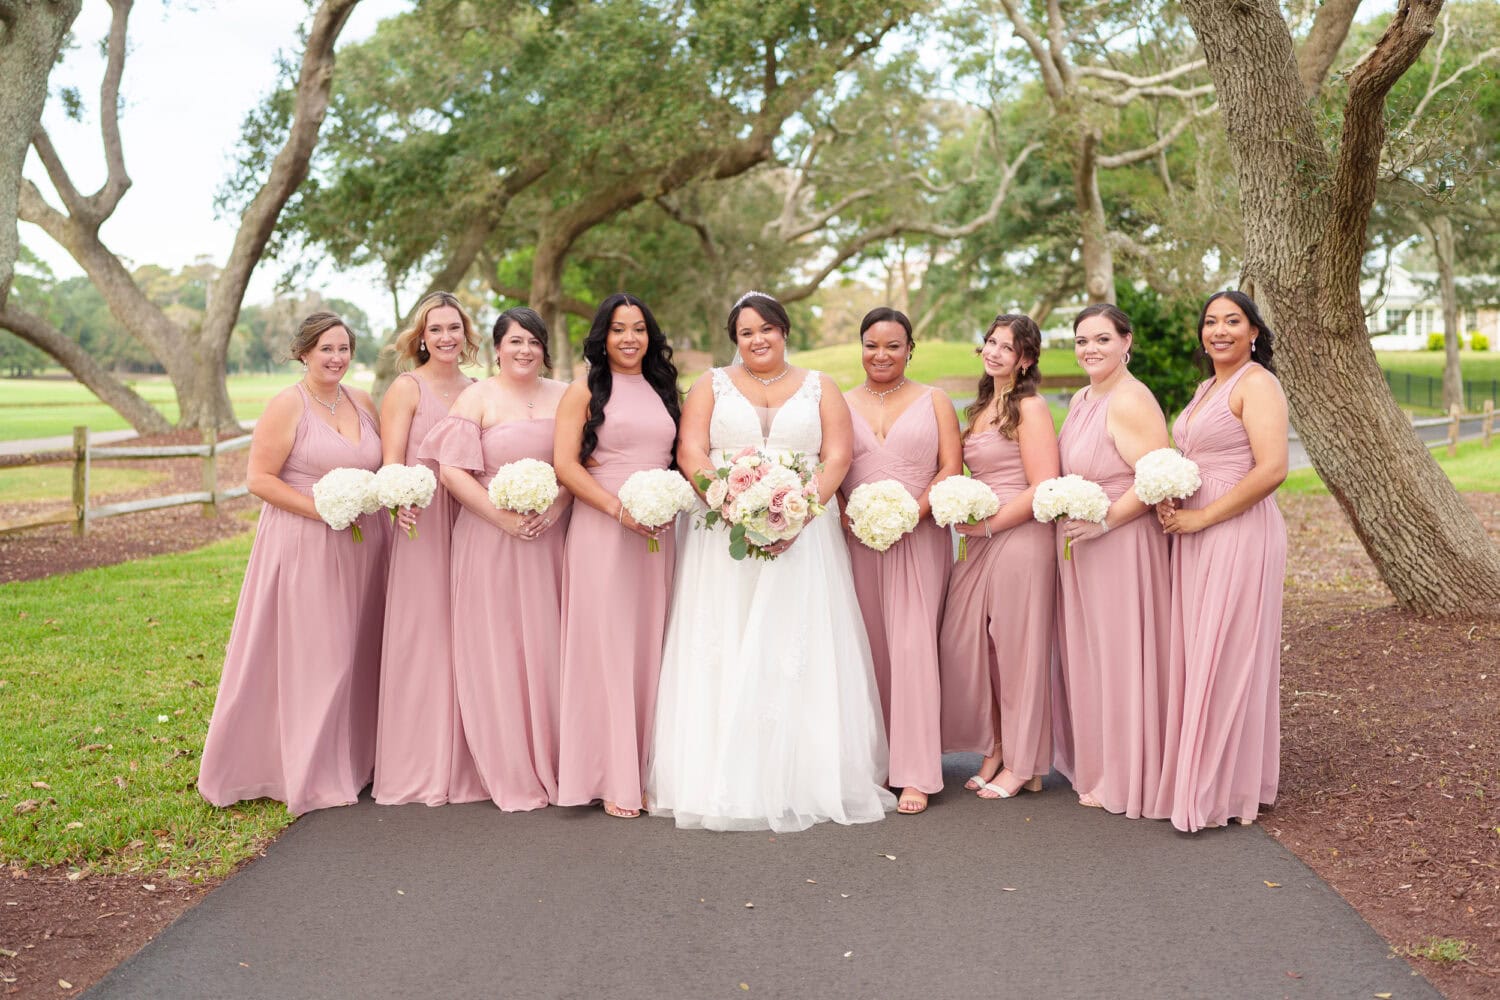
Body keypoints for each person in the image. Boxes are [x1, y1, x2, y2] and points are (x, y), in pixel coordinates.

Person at [647, 291, 896, 832]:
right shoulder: (711, 385)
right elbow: (690, 450)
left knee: (796, 642)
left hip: (805, 537)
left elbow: (837, 455)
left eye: (767, 329)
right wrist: (729, 502)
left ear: (785, 330)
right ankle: (720, 776)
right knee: (725, 638)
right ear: (734, 340)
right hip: (723, 534)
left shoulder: (820, 386)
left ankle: (803, 776)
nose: (757, 339)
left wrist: (800, 514)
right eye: (745, 332)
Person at [199, 311, 389, 815]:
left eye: (344, 348)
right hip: (305, 540)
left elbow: (386, 467)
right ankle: (304, 768)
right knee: (319, 656)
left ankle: (354, 759)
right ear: (303, 353)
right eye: (326, 349)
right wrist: (324, 511)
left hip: (367, 544)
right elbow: (259, 479)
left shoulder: (363, 401)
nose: (337, 358)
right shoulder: (288, 405)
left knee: (357, 651)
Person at [423, 307, 572, 810]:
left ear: (543, 348)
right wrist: (501, 517)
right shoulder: (477, 396)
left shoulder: (566, 395)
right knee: (498, 646)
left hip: (550, 538)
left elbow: (576, 464)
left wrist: (556, 506)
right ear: (498, 347)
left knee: (550, 644)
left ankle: (556, 757)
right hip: (489, 538)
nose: (524, 350)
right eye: (514, 342)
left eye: (533, 341)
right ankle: (507, 762)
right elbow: (453, 472)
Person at [1155, 291, 1288, 831]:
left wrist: (1203, 518)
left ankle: (1218, 789)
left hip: (1235, 530)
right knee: (1200, 650)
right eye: (1210, 321)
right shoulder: (1206, 386)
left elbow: (1273, 468)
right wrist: (1170, 489)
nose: (1220, 330)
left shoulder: (1258, 384)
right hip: (1194, 530)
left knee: (1224, 650)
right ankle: (1206, 775)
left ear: (1254, 331)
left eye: (1233, 321)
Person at [554, 293, 681, 819]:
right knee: (606, 648)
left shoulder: (664, 388)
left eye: (639, 329)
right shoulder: (584, 389)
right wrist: (618, 510)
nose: (630, 338)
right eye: (618, 329)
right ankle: (610, 775)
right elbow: (566, 464)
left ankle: (650, 769)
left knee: (652, 646)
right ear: (602, 336)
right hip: (605, 528)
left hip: (660, 532)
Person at [1051, 303, 1172, 818]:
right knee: (1092, 653)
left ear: (1127, 342)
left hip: (1122, 545)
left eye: (1103, 339)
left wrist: (1103, 522)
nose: (1090, 349)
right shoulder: (1081, 397)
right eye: (1082, 340)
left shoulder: (1131, 399)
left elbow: (1156, 479)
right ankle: (1099, 762)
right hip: (1084, 548)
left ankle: (1130, 772)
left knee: (1122, 656)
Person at [841, 307, 962, 814]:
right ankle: (873, 762)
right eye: (872, 344)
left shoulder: (935, 400)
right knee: (867, 650)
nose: (881, 355)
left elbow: (952, 466)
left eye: (893, 345)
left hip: (920, 534)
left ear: (910, 348)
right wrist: (855, 517)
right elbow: (829, 465)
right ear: (861, 348)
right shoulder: (840, 403)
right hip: (857, 538)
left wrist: (912, 514)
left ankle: (915, 770)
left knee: (913, 647)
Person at [938, 314, 1060, 800]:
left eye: (1006, 347)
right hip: (980, 537)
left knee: (1016, 649)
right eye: (990, 342)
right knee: (972, 644)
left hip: (1021, 536)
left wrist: (988, 523)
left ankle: (1023, 762)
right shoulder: (984, 405)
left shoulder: (1030, 408)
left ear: (1025, 359)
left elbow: (1043, 483)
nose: (994, 352)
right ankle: (996, 746)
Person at [372, 291, 486, 806]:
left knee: (468, 631)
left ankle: (471, 755)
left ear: (466, 335)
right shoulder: (406, 388)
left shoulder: (479, 389)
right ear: (420, 336)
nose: (446, 337)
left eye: (454, 328)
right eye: (435, 329)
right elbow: (391, 461)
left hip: (472, 518)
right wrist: (400, 503)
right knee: (424, 633)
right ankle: (417, 759)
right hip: (421, 520)